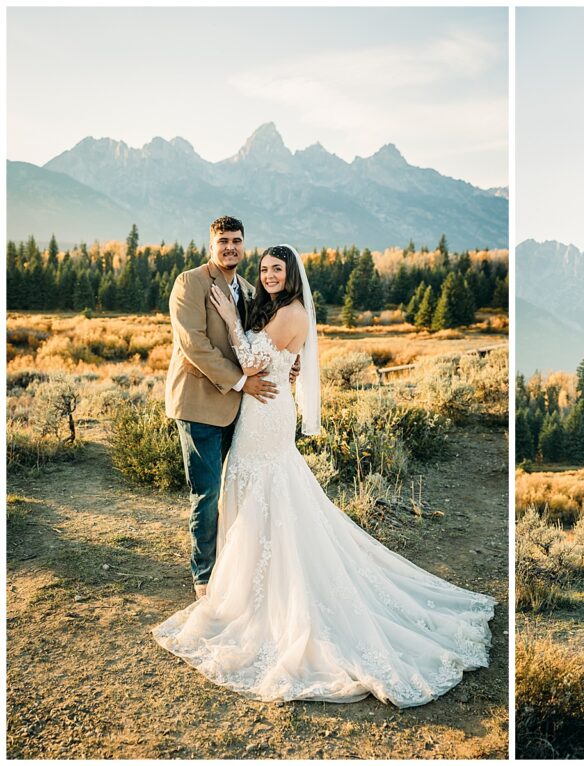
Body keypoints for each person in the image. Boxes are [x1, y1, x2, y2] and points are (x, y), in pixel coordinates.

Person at [154, 244, 495, 706]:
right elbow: (267, 355)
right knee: (253, 488)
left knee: (268, 490)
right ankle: (239, 581)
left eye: (277, 269)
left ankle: (266, 592)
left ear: (291, 274)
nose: (269, 275)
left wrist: (234, 324)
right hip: (256, 409)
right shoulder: (269, 303)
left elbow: (253, 360)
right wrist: (263, 344)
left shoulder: (291, 310)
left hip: (266, 411)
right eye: (265, 269)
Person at [165, 216, 298, 599]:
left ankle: (234, 565)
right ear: (211, 244)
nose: (230, 248)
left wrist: (288, 360)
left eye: (237, 241)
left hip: (242, 410)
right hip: (199, 404)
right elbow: (194, 344)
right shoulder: (189, 283)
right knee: (206, 493)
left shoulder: (247, 288)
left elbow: (261, 339)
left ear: (244, 245)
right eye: (223, 241)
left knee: (236, 489)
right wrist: (242, 381)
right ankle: (204, 578)